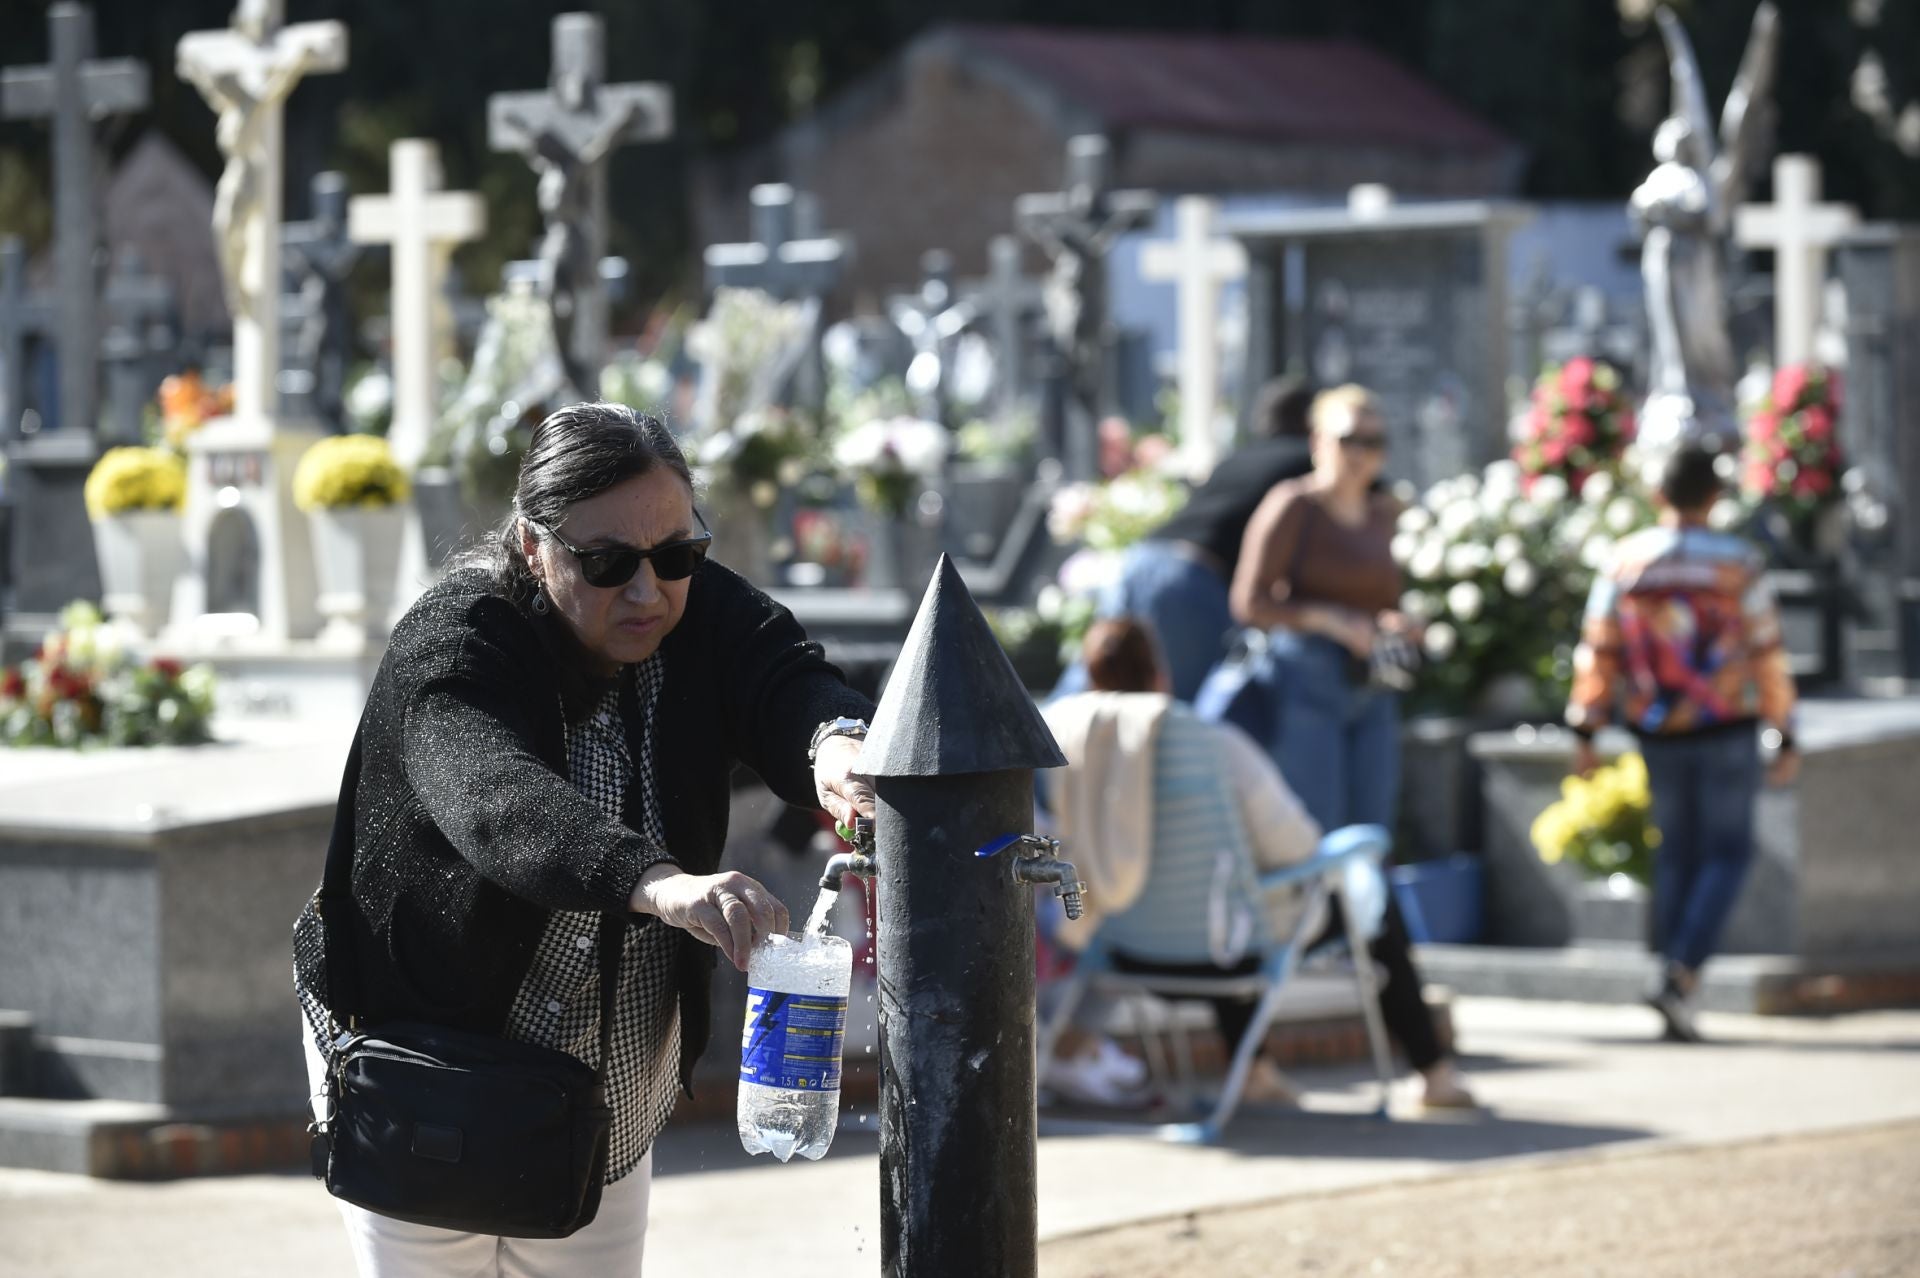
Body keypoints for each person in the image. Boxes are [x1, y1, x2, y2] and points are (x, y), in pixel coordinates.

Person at [292, 402, 876, 1276]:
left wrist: (832, 745)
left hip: (609, 1086)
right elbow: (497, 798)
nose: (647, 592)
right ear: (534, 546)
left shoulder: (693, 607)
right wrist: (659, 882)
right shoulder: (454, 639)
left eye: (676, 555)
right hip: (431, 1063)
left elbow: (780, 675)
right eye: (604, 563)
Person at [1226, 384, 1475, 1109]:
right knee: (1312, 859)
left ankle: (1421, 1060)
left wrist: (1397, 622)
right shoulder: (1291, 506)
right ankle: (1259, 1048)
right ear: (1316, 442)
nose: (1363, 454)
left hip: (1371, 692)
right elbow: (1250, 601)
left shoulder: (1386, 512)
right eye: (1349, 439)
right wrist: (1332, 620)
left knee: (1370, 857)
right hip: (1304, 686)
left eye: (1375, 440)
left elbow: (1383, 598)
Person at [1565, 444, 1799, 1043]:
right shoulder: (1738, 564)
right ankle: (1682, 973)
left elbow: (1600, 648)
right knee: (1727, 852)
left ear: (1658, 495)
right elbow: (1767, 650)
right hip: (1726, 723)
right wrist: (1784, 726)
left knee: (1676, 852)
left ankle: (1671, 972)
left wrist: (1587, 727)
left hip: (1659, 725)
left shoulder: (1625, 562)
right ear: (1715, 497)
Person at [1039, 618, 1323, 1106]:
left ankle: (1252, 1069)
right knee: (1349, 896)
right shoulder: (1211, 742)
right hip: (1224, 947)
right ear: (1159, 676)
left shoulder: (1058, 735)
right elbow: (1297, 847)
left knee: (1222, 903)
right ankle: (1435, 1071)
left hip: (1119, 941)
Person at [1055, 376, 1317, 703]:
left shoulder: (1239, 457)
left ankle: (1039, 746)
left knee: (1094, 684)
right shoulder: (1306, 463)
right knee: (1171, 711)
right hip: (1191, 582)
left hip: (1141, 560)